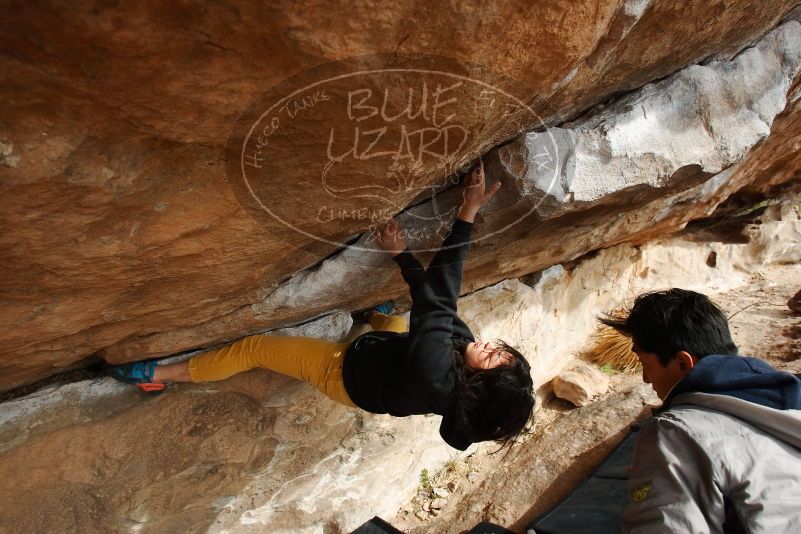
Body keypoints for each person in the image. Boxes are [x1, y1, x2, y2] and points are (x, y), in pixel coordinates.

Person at [105, 161, 535, 450]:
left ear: (477, 386)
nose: (491, 347)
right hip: (389, 359)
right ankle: (372, 317)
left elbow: (441, 294)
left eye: (496, 359)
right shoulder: (461, 353)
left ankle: (158, 375)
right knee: (399, 321)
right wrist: (401, 256)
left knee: (255, 348)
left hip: (344, 374)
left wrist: (467, 212)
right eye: (503, 349)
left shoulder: (436, 373)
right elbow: (430, 303)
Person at [600, 289, 801, 533]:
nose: (644, 379)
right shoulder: (788, 400)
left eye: (645, 364)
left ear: (683, 362)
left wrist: (663, 463)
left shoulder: (674, 433)